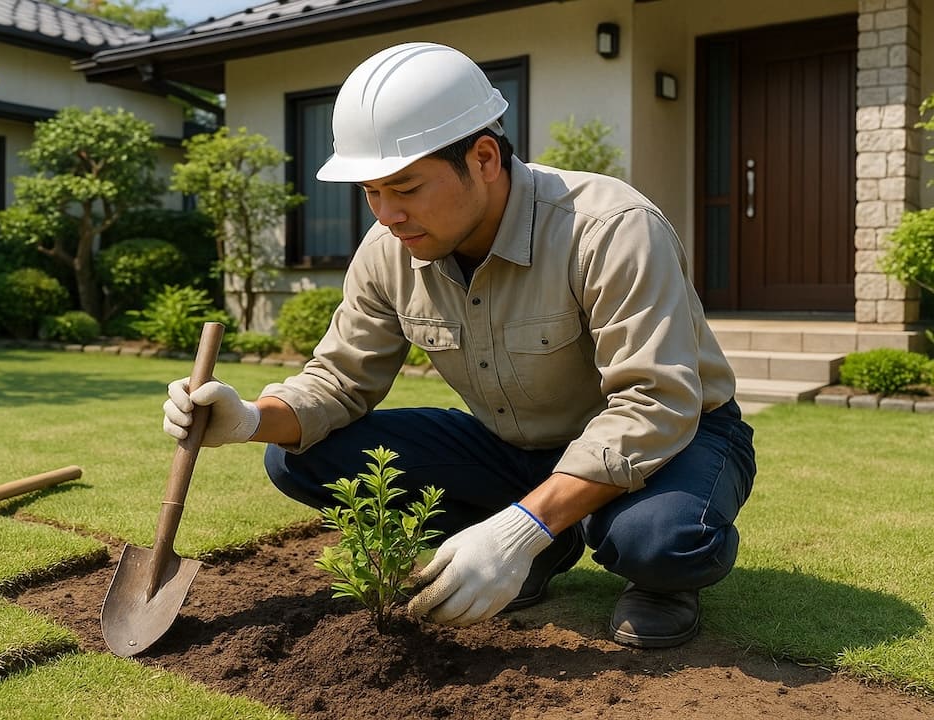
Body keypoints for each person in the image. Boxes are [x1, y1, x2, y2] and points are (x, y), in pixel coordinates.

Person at [163, 41, 757, 649]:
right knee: (295, 455)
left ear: (483, 157)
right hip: (517, 448)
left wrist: (516, 531)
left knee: (659, 539)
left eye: (405, 187)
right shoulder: (386, 252)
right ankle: (544, 543)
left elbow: (654, 403)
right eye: (371, 191)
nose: (387, 213)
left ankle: (646, 578)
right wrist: (249, 419)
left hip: (680, 435)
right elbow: (337, 383)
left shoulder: (609, 229)